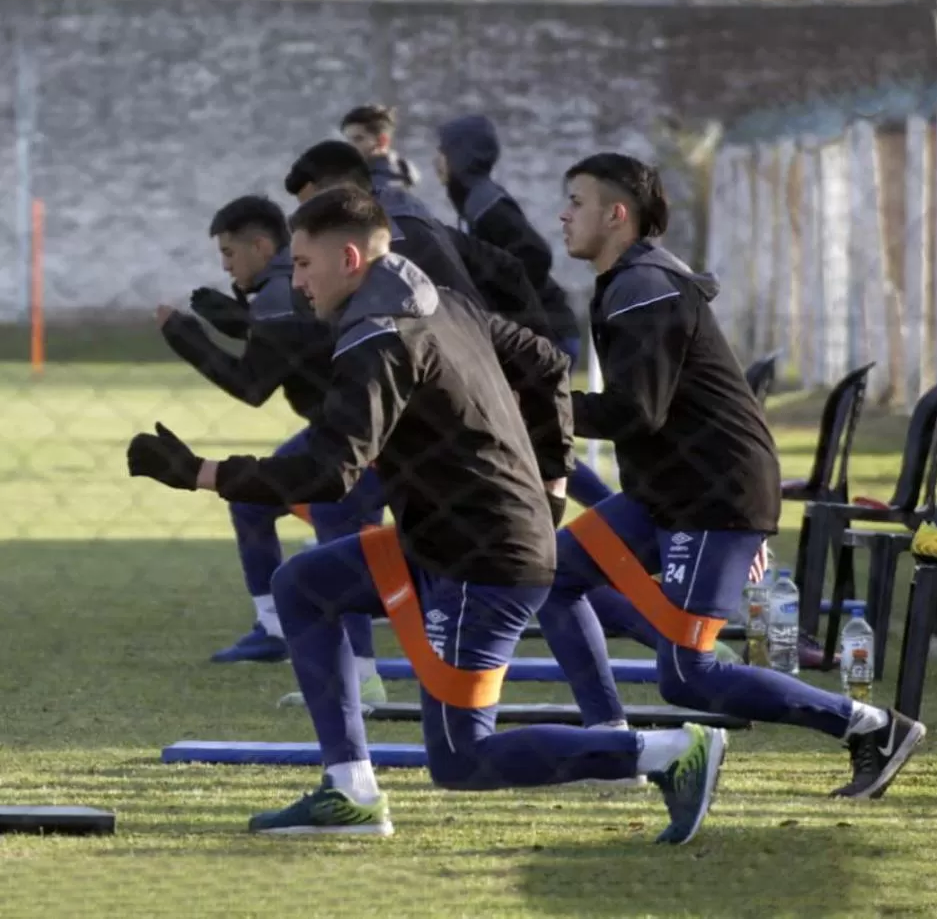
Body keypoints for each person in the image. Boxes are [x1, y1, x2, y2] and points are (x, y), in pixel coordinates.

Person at [128, 185, 728, 845]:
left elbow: (332, 471)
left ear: (350, 258)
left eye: (302, 265)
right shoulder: (438, 301)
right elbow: (544, 361)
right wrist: (552, 479)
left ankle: (670, 751)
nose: (293, 282)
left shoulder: (381, 335)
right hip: (447, 537)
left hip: (484, 560)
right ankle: (350, 791)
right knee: (303, 586)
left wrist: (201, 474)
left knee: (462, 759)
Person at [538, 152, 926, 800]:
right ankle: (611, 742)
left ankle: (873, 727)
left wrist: (534, 406)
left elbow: (636, 411)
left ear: (616, 214)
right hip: (667, 493)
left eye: (575, 201)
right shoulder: (627, 281)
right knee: (553, 576)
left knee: (687, 677)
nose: (563, 214)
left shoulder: (645, 287)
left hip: (712, 497)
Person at [155, 195, 386, 704]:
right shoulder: (282, 288)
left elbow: (251, 385)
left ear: (262, 245)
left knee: (339, 545)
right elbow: (298, 346)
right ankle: (276, 629)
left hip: (361, 437)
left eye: (229, 254)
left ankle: (364, 678)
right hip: (341, 427)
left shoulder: (281, 293)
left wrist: (186, 335)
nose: (225, 265)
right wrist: (239, 318)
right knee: (252, 504)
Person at [435, 113, 612, 509]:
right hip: (540, 333)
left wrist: (503, 306)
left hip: (545, 334)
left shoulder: (484, 201)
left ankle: (606, 512)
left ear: (459, 156)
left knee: (534, 438)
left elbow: (533, 253)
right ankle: (604, 511)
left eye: (442, 151)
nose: (437, 161)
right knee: (534, 439)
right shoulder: (473, 200)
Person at [286, 140, 552, 338]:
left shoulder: (387, 241)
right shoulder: (417, 217)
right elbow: (508, 267)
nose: (310, 220)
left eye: (314, 207)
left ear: (345, 192)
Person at [341, 104, 420, 190]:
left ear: (382, 140)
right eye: (348, 140)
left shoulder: (386, 186)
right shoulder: (360, 178)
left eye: (358, 139)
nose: (350, 146)